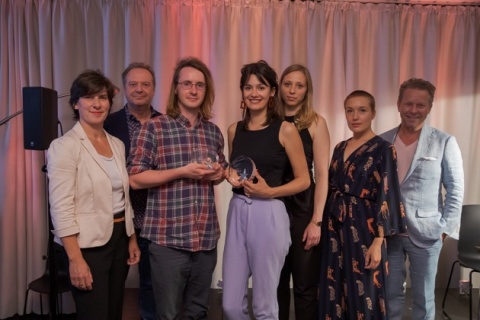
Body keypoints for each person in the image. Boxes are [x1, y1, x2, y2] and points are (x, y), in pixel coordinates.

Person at [127, 57, 227, 320]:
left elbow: (220, 172)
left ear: (206, 91)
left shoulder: (214, 132)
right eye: (187, 84)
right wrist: (182, 171)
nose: (193, 90)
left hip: (205, 239)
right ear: (176, 89)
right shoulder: (154, 128)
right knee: (168, 314)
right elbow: (135, 178)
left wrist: (219, 174)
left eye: (199, 85)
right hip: (167, 241)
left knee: (197, 312)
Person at [47, 69, 140, 320]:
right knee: (94, 314)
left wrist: (131, 238)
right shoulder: (63, 147)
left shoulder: (117, 144)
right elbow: (61, 207)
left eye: (102, 97)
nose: (97, 104)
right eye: (89, 97)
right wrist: (75, 259)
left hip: (119, 239)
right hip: (87, 246)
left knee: (113, 311)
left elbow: (123, 197)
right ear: (76, 104)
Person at [222, 60, 310, 320]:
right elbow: (236, 169)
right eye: (248, 87)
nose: (254, 93)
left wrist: (269, 192)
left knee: (264, 305)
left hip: (270, 212)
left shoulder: (285, 129)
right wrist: (231, 176)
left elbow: (304, 180)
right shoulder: (233, 130)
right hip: (237, 210)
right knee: (230, 305)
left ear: (272, 91)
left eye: (261, 87)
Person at [318, 90, 406, 319]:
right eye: (350, 110)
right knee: (334, 287)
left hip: (365, 228)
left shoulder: (384, 149)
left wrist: (379, 241)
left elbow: (388, 195)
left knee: (365, 290)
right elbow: (329, 186)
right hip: (334, 225)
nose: (355, 116)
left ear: (373, 113)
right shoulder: (339, 147)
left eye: (362, 110)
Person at [380, 78, 464, 320]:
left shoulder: (444, 141)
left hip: (427, 233)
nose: (413, 110)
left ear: (429, 107)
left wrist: (444, 229)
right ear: (398, 104)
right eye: (408, 104)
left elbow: (456, 189)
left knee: (424, 297)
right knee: (390, 293)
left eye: (420, 105)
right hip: (389, 233)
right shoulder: (382, 141)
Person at [104, 62, 161, 320]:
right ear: (124, 88)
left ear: (154, 88)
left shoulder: (167, 124)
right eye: (133, 84)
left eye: (145, 84)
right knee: (112, 283)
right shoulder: (106, 123)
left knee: (153, 283)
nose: (139, 89)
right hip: (117, 217)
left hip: (157, 217)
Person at [276, 64, 330, 320]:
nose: (292, 90)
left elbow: (322, 176)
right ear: (279, 87)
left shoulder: (316, 123)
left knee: (305, 284)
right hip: (272, 205)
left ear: (307, 89)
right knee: (275, 283)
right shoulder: (268, 120)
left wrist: (316, 220)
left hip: (304, 208)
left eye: (299, 85)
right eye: (287, 84)